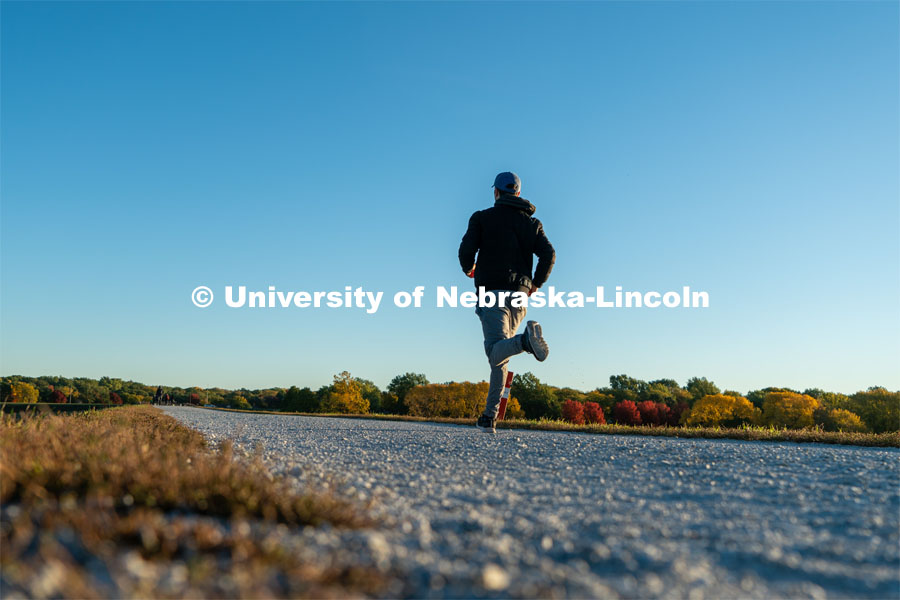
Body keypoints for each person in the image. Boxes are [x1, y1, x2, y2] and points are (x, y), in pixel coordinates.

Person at [458, 171, 555, 433]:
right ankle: (489, 417)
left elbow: (466, 250)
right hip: (520, 295)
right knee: (501, 355)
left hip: (491, 291)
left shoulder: (481, 218)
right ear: (518, 193)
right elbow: (549, 254)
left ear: (496, 192)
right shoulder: (532, 224)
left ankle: (525, 342)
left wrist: (469, 268)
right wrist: (535, 284)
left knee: (494, 351)